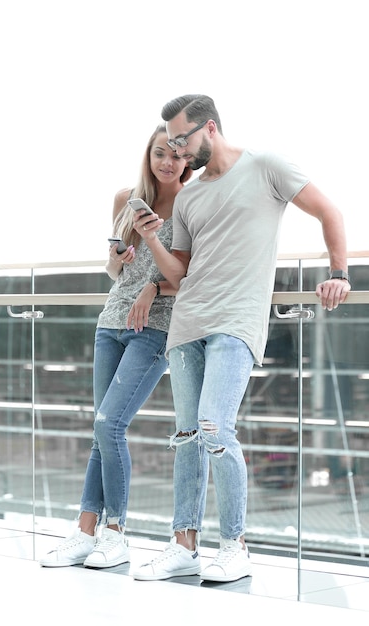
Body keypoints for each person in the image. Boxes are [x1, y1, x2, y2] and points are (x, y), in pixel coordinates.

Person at [131, 94, 350, 583]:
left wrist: (339, 273)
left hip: (236, 320)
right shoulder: (188, 197)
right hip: (187, 324)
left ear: (209, 128)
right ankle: (184, 544)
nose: (177, 154)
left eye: (182, 141)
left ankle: (235, 544)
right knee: (187, 436)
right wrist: (150, 239)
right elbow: (181, 274)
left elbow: (329, 212)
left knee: (213, 427)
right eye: (169, 144)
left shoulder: (266, 167)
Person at [39, 125, 191, 568]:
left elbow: (185, 277)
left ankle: (116, 532)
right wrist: (118, 258)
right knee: (100, 429)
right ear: (149, 154)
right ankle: (86, 531)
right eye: (160, 153)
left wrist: (151, 287)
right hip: (111, 322)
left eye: (176, 156)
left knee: (110, 424)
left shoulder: (191, 203)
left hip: (157, 327)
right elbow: (113, 271)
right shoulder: (124, 198)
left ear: (188, 161)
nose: (167, 162)